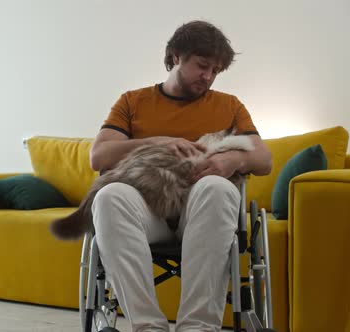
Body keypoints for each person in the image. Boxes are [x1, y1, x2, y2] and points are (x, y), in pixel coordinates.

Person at [89, 21, 272, 332]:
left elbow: (264, 159)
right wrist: (155, 142)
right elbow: (99, 156)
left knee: (218, 187)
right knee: (108, 196)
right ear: (176, 56)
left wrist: (232, 159)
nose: (209, 76)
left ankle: (198, 327)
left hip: (202, 211)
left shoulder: (228, 105)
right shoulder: (133, 102)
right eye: (203, 66)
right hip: (148, 212)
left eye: (216, 70)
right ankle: (147, 327)